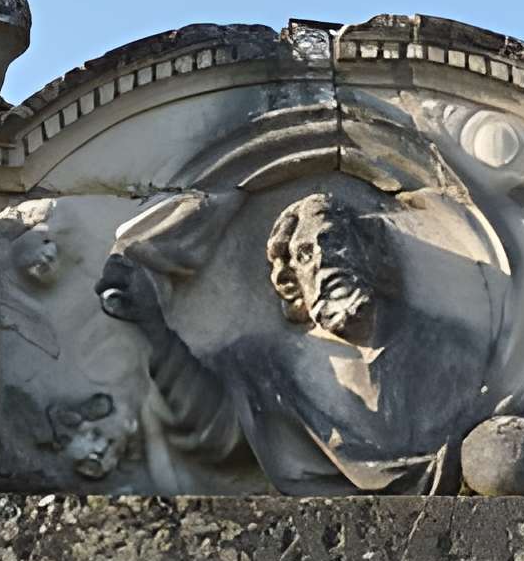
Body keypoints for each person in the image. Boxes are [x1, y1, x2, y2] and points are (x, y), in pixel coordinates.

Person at [97, 188, 493, 491]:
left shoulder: (449, 347)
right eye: (304, 254)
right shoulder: (266, 365)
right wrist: (152, 325)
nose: (323, 261)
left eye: (334, 241)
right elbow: (216, 428)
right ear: (292, 285)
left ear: (370, 254)